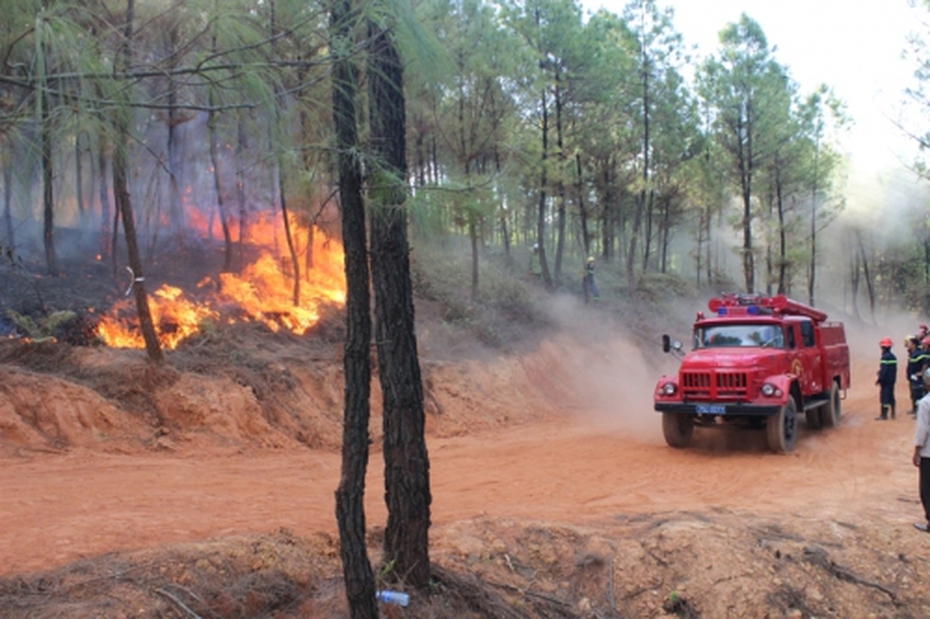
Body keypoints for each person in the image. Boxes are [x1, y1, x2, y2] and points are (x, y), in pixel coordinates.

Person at [913, 368, 930, 532]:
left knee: (927, 489)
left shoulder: (925, 403)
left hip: (928, 453)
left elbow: (922, 430)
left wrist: (917, 450)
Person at [875, 337, 897, 420]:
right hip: (892, 380)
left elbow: (884, 370)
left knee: (884, 397)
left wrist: (880, 379)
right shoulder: (893, 357)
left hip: (885, 381)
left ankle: (884, 415)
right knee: (891, 395)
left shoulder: (885, 357)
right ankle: (893, 413)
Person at [906, 336, 928, 416]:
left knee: (918, 395)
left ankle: (920, 413)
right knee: (914, 394)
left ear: (914, 344)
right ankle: (915, 410)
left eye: (909, 343)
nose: (908, 345)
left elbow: (925, 363)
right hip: (913, 378)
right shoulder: (913, 354)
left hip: (918, 379)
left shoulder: (919, 354)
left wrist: (921, 372)